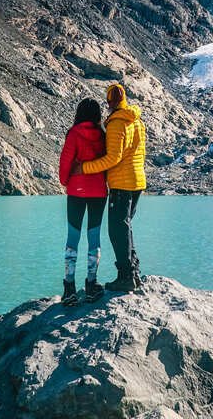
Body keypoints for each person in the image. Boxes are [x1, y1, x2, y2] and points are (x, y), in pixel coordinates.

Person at [72, 83, 146, 292]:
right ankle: (134, 272)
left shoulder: (116, 123)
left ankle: (126, 277)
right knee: (125, 226)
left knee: (116, 230)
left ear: (110, 102)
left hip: (122, 184)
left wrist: (84, 168)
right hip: (137, 181)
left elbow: (113, 158)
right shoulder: (137, 120)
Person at [58, 97, 108, 306]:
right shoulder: (104, 136)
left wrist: (65, 181)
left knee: (73, 237)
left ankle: (69, 288)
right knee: (94, 237)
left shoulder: (74, 133)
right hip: (98, 191)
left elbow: (65, 161)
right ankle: (91, 285)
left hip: (77, 190)